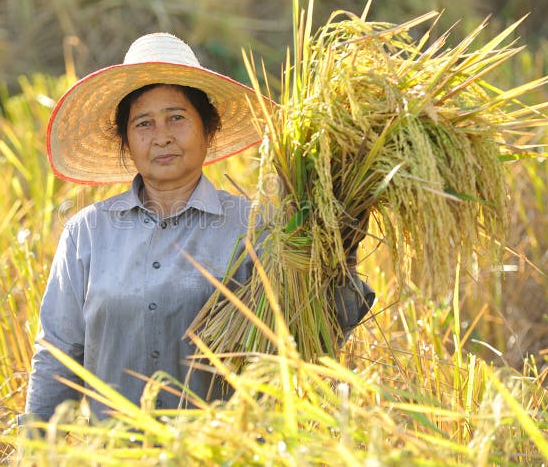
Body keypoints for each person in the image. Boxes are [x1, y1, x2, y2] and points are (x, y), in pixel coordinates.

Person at [22, 32, 374, 425]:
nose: (162, 136)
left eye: (176, 117)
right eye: (144, 123)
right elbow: (57, 352)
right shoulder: (87, 234)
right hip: (115, 453)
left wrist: (340, 247)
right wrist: (34, 443)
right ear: (126, 140)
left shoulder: (255, 229)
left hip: (224, 452)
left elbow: (310, 338)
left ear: (208, 129)